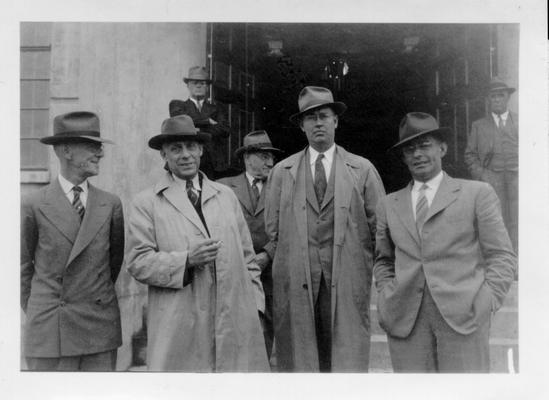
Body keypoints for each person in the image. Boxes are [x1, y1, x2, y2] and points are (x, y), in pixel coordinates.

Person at [374, 112, 516, 372]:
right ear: (404, 157)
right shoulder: (388, 204)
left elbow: (502, 255)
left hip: (465, 319)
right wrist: (386, 297)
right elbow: (384, 260)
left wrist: (488, 300)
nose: (417, 154)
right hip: (406, 321)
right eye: (410, 149)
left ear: (443, 148)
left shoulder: (476, 194)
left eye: (425, 145)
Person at [125, 114, 269, 372]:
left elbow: (248, 258)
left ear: (201, 149)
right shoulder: (146, 202)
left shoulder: (225, 196)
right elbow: (137, 262)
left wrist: (255, 306)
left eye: (191, 147)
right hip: (180, 326)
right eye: (175, 148)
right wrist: (186, 260)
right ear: (163, 155)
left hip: (233, 321)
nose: (185, 155)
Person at [264, 86, 385, 372]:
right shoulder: (283, 172)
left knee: (344, 359)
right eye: (310, 118)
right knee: (301, 357)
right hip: (297, 278)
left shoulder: (362, 169)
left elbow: (379, 227)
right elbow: (273, 230)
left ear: (336, 121)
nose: (318, 123)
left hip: (346, 277)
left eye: (323, 116)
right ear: (302, 126)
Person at [21, 111, 124, 371]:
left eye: (99, 147)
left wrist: (92, 298)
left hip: (98, 331)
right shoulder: (34, 204)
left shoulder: (110, 204)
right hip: (51, 331)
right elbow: (22, 269)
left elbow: (113, 265)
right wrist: (44, 310)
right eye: (92, 146)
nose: (100, 153)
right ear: (66, 151)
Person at [217, 130, 282, 360]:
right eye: (263, 156)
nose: (270, 161)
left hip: (272, 270)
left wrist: (268, 254)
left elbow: (291, 226)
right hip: (236, 270)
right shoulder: (223, 188)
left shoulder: (283, 186)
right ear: (247, 158)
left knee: (268, 325)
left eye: (271, 156)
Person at [464, 77, 518, 254]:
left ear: (507, 98)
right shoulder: (479, 126)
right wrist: (482, 175)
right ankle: (501, 259)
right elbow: (470, 155)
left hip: (518, 179)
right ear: (489, 100)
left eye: (500, 96)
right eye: (493, 96)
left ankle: (520, 260)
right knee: (496, 220)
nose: (496, 100)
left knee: (519, 218)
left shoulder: (520, 121)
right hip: (492, 180)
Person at [169, 66, 231, 179]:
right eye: (194, 83)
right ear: (188, 85)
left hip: (212, 163)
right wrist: (208, 121)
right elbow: (181, 122)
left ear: (207, 87)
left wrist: (196, 128)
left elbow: (225, 130)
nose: (198, 86)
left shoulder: (217, 108)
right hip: (186, 159)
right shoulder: (178, 105)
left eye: (202, 83)